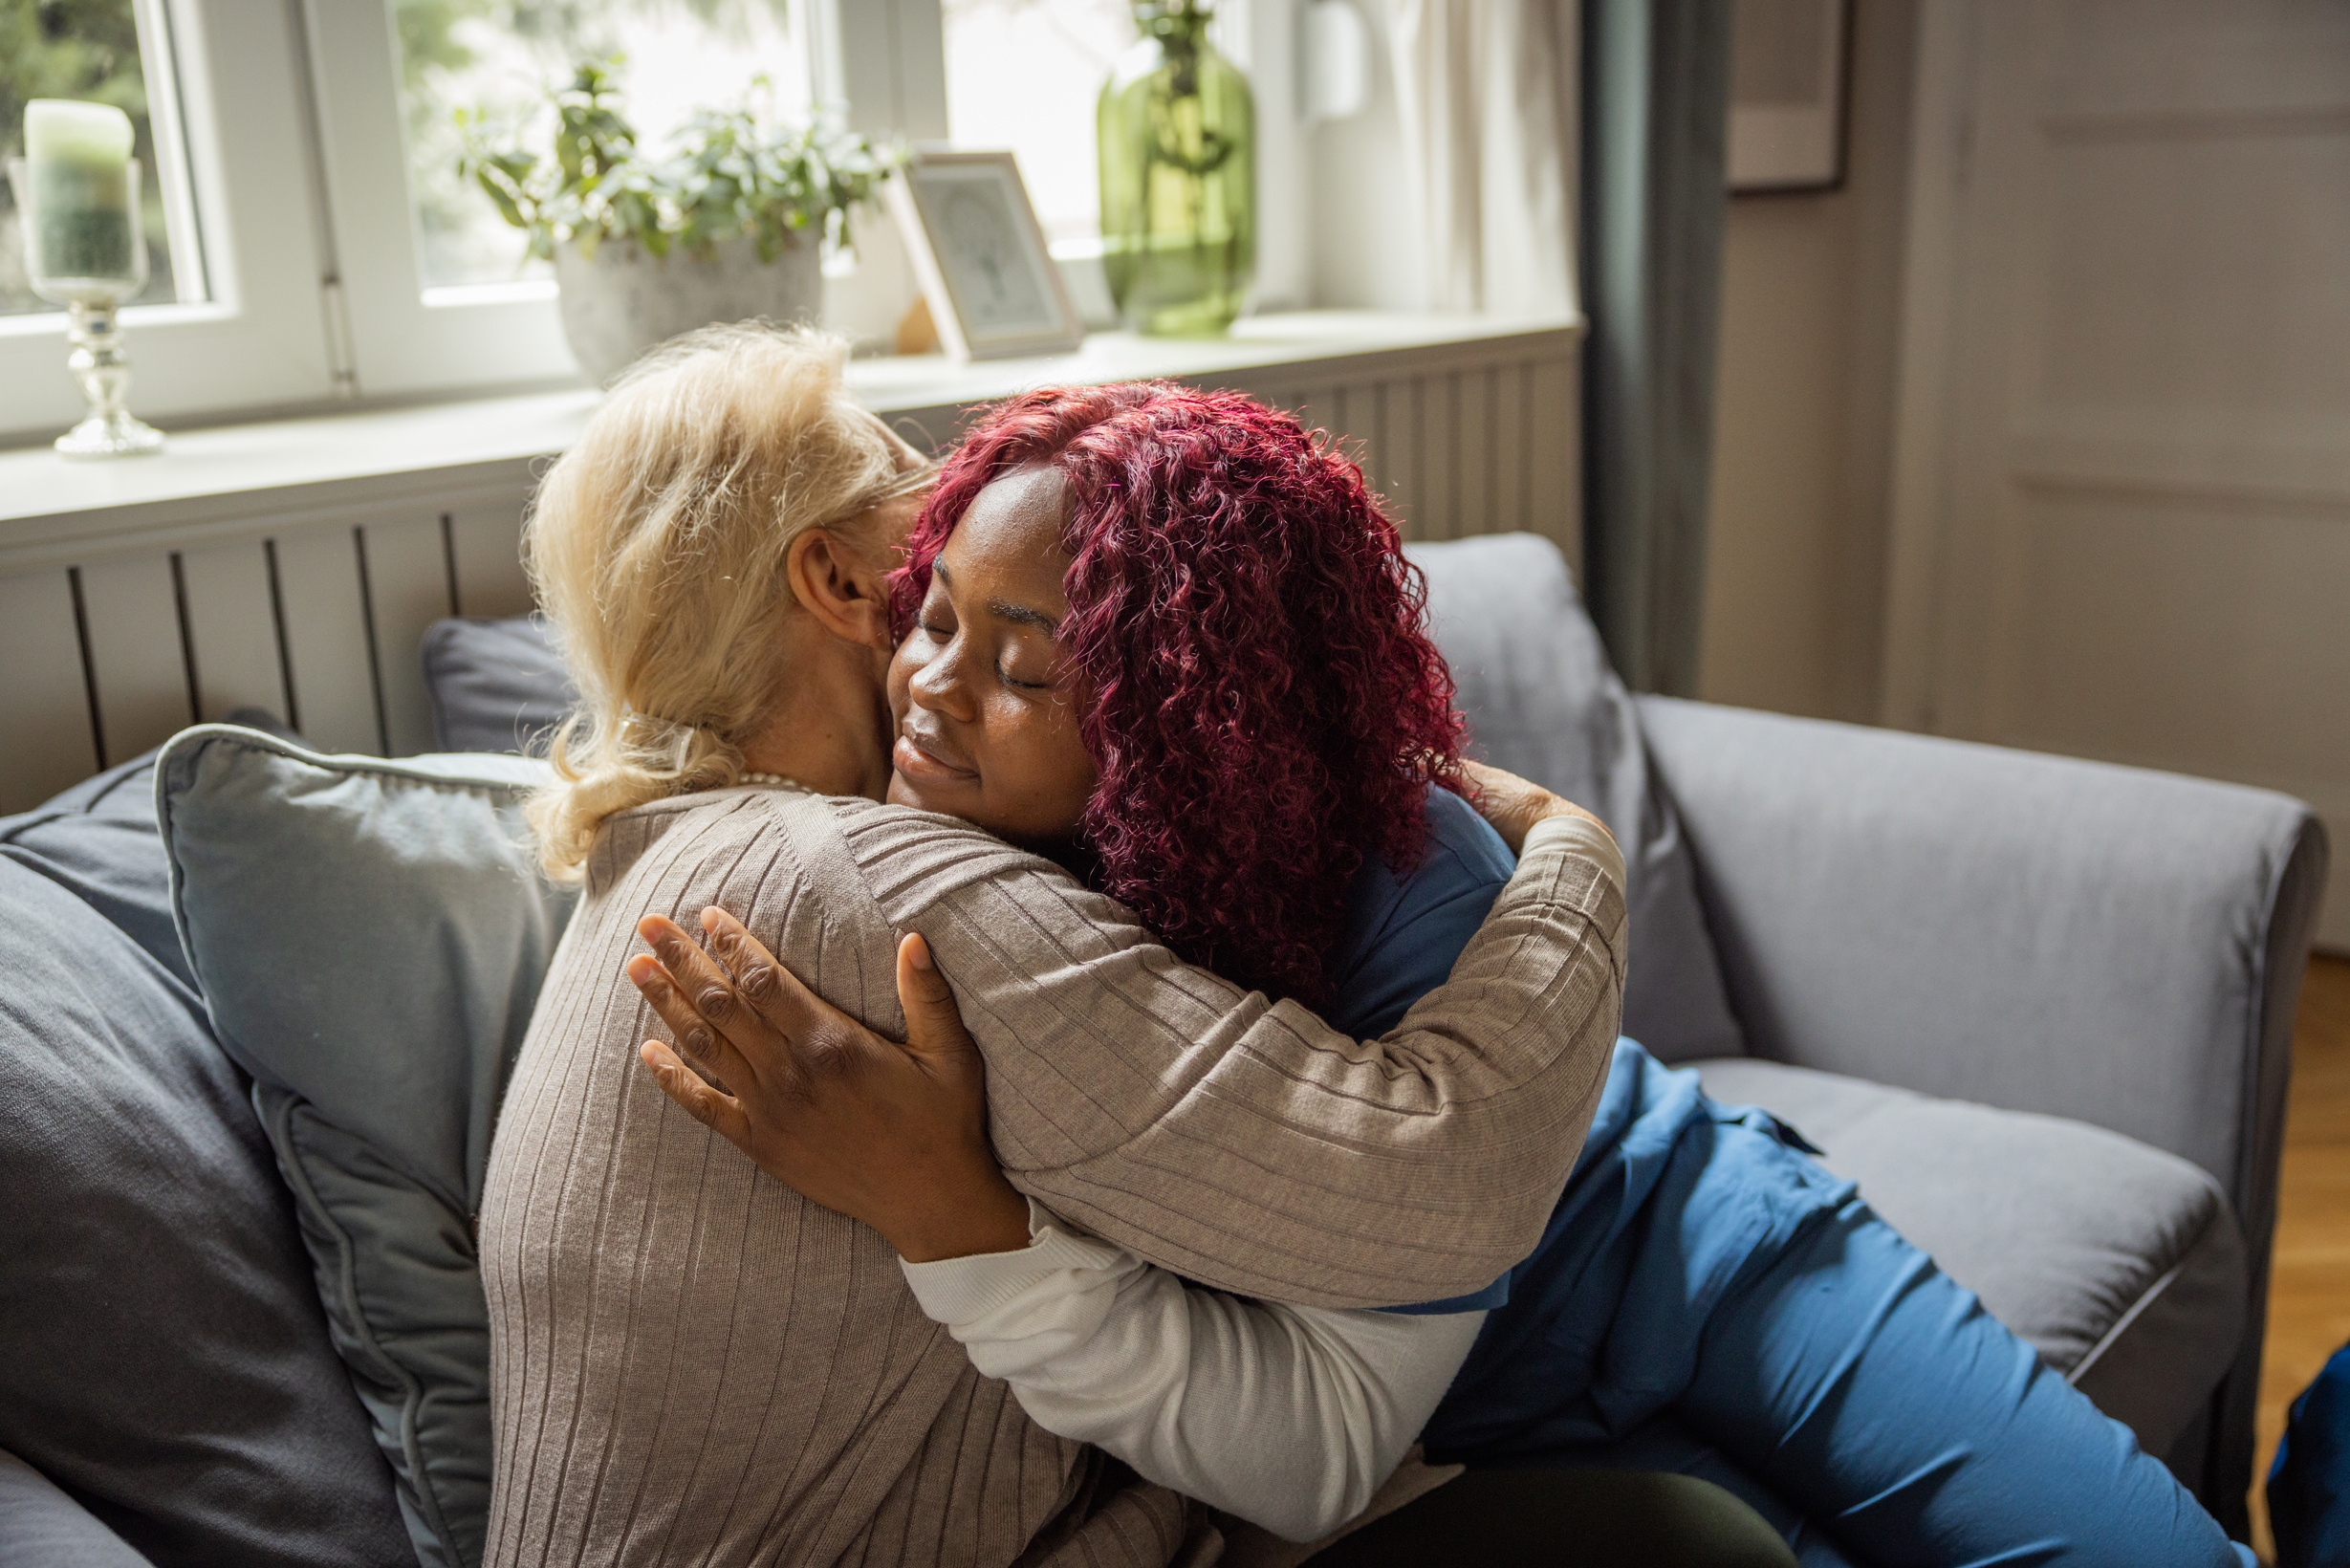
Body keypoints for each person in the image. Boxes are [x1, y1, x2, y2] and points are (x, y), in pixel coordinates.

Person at [631, 377, 2260, 1568]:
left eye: (1024, 668)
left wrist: (956, 1227)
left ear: (1180, 718)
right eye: (934, 620)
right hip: (1475, 1417)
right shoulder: (925, 843)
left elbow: (1318, 1443)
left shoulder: (1415, 879)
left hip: (1682, 1254)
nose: (929, 688)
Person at [481, 325, 1767, 1568]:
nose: (949, 511)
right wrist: (1574, 855)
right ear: (840, 581)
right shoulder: (870, 885)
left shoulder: (645, 861)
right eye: (922, 561)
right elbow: (1439, 1183)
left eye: (1029, 661)